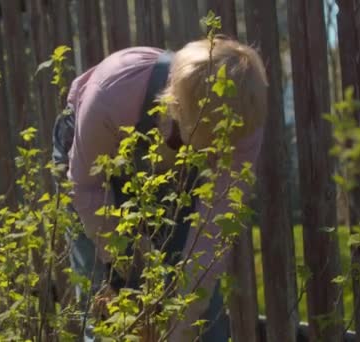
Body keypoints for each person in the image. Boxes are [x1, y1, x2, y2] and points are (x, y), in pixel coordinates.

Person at [53, 35, 268, 341]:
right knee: (106, 303)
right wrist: (119, 263)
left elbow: (208, 242)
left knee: (201, 314)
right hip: (91, 169)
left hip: (170, 164)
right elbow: (86, 187)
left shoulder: (243, 121)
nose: (215, 155)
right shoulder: (113, 94)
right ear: (176, 106)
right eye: (207, 145)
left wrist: (181, 329)